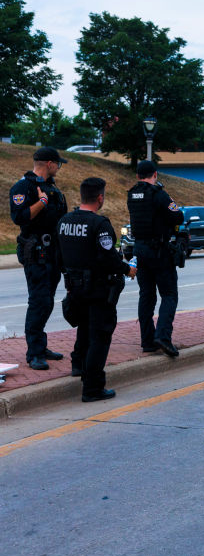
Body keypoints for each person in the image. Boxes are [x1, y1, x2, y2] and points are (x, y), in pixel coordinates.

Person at [58, 177, 136, 402]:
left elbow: (59, 255)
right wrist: (127, 270)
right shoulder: (99, 224)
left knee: (83, 329)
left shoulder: (64, 221)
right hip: (98, 290)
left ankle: (78, 366)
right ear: (100, 198)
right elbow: (108, 258)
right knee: (99, 337)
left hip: (75, 288)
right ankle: (92, 388)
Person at [9, 146, 69, 371]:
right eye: (58, 164)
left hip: (53, 253)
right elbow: (20, 217)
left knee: (47, 301)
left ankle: (41, 346)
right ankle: (34, 353)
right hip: (36, 253)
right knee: (38, 302)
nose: (59, 168)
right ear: (50, 164)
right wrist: (41, 203)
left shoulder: (51, 188)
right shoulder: (23, 187)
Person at [127, 160, 184, 357]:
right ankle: (163, 336)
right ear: (155, 174)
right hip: (159, 250)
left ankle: (147, 341)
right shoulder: (159, 194)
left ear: (137, 176)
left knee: (146, 296)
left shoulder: (131, 195)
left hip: (139, 249)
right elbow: (178, 217)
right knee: (169, 295)